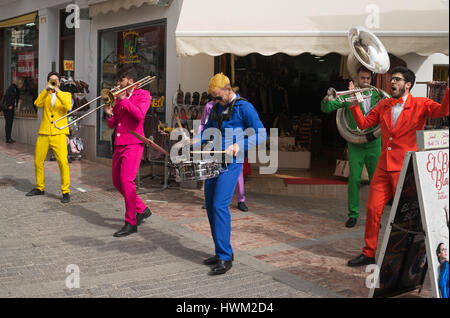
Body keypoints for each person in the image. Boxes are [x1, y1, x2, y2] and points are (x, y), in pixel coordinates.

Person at [347, 66, 449, 266]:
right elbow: (364, 123)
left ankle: (406, 257)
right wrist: (354, 102)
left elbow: (443, 110)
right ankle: (368, 253)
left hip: (405, 169)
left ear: (408, 84)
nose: (392, 82)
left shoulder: (421, 103)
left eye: (397, 79)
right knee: (373, 209)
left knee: (406, 216)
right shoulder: (384, 104)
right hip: (383, 168)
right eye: (392, 79)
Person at [199, 73, 266, 275]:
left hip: (232, 164)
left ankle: (226, 257)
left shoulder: (245, 107)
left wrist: (241, 144)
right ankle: (220, 251)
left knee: (219, 206)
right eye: (213, 98)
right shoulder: (217, 107)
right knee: (210, 206)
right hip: (214, 161)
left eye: (218, 97)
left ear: (229, 90)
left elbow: (261, 133)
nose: (216, 102)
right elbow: (208, 130)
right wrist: (193, 143)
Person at [321, 66, 382, 228]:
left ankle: (376, 216)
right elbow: (326, 108)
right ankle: (353, 214)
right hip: (355, 142)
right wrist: (327, 99)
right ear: (356, 79)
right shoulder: (349, 96)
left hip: (374, 143)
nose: (366, 82)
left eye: (368, 79)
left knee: (376, 181)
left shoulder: (377, 94)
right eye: (363, 78)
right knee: (354, 179)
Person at [104, 65, 152, 237]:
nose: (118, 83)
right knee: (117, 181)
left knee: (127, 181)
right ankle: (142, 209)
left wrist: (123, 99)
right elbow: (113, 123)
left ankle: (131, 222)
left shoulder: (143, 95)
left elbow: (139, 115)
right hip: (119, 142)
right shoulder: (118, 97)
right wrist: (109, 113)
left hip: (133, 142)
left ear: (130, 81)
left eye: (121, 80)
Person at [26, 72, 72, 203]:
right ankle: (40, 188)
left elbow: (68, 106)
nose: (54, 82)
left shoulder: (66, 94)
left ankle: (65, 191)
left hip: (59, 133)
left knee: (63, 163)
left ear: (60, 82)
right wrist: (46, 91)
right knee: (38, 161)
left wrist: (57, 91)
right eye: (51, 80)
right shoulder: (45, 94)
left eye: (56, 80)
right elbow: (37, 103)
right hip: (45, 132)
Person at [199, 98, 249, 212]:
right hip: (215, 143)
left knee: (238, 174)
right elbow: (203, 124)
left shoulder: (236, 106)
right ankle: (209, 199)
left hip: (234, 143)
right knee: (211, 171)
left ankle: (241, 200)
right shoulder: (209, 106)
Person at [2, 78, 23, 143]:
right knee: (8, 123)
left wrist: (16, 106)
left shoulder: (17, 89)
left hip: (11, 108)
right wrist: (9, 105)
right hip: (7, 108)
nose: (22, 85)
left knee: (10, 123)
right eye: (21, 84)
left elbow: (17, 98)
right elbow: (7, 96)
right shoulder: (11, 88)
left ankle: (9, 138)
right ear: (18, 83)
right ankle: (8, 139)